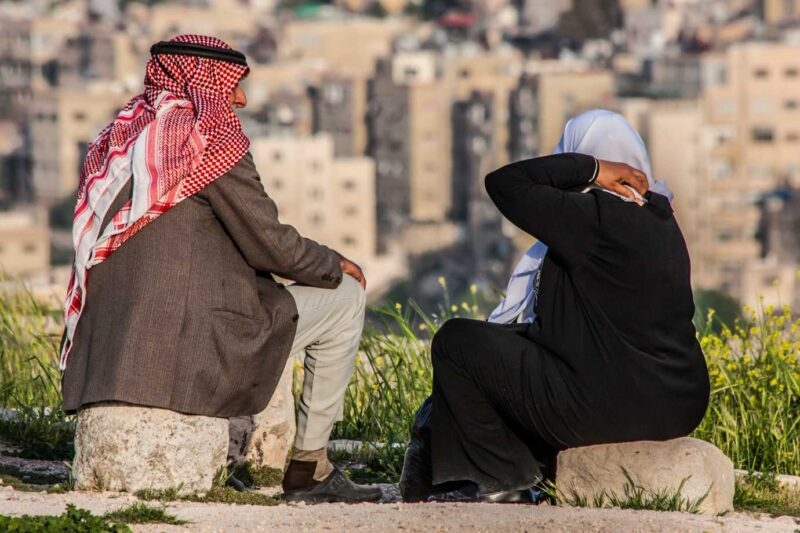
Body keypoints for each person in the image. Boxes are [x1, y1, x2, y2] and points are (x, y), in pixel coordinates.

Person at [59, 34, 381, 504]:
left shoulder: (119, 140)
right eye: (233, 85)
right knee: (345, 299)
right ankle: (311, 467)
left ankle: (240, 452)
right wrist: (334, 264)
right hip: (186, 346)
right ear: (205, 84)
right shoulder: (209, 143)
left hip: (105, 358)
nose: (241, 99)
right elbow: (272, 245)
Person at [426, 109, 710, 502]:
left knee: (457, 341)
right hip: (680, 404)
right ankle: (534, 467)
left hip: (615, 407)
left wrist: (592, 169)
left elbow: (504, 184)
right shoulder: (661, 217)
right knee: (519, 346)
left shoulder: (592, 217)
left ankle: (501, 480)